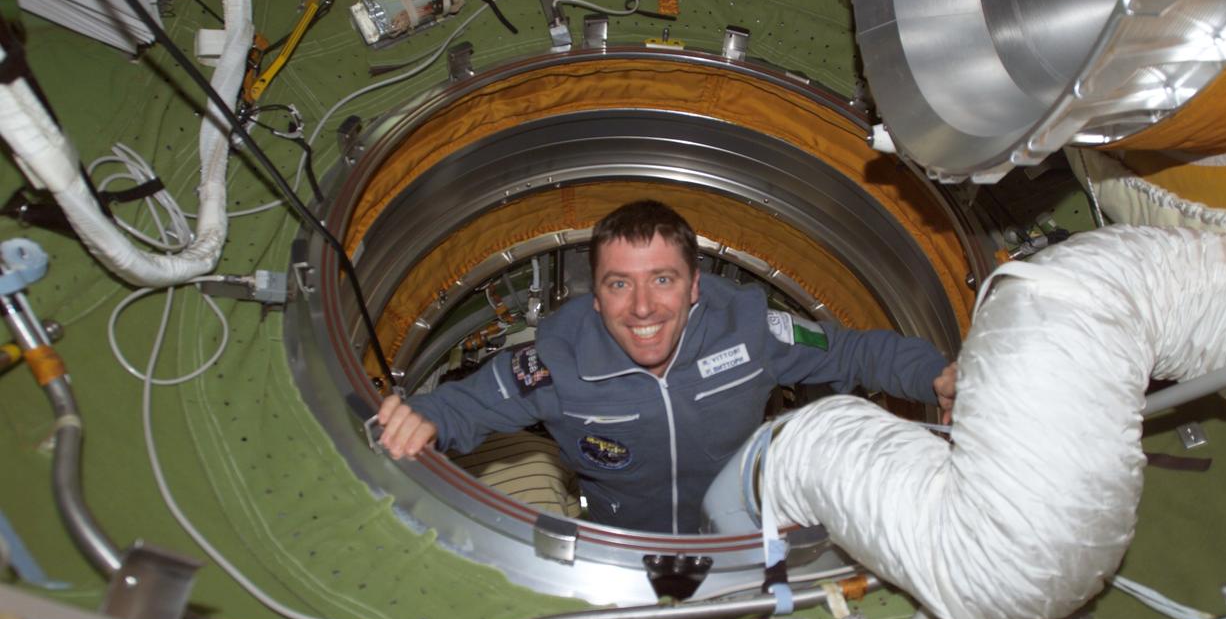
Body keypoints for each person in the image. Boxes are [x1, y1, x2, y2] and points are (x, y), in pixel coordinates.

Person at [377, 200, 957, 533]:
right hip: (622, 542)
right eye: (619, 285)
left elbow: (853, 352)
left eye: (662, 279)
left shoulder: (749, 329)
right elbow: (467, 402)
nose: (644, 307)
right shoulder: (557, 360)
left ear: (694, 286)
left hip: (742, 526)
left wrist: (934, 375)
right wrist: (421, 416)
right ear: (595, 295)